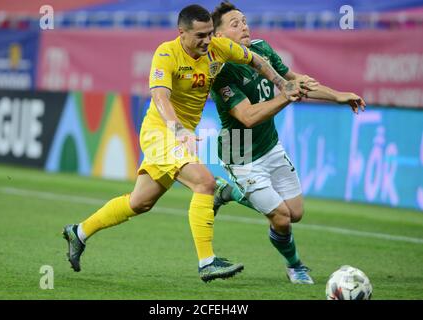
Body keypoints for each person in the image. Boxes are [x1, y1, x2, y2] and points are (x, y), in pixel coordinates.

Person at [62, 4, 315, 282]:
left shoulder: (218, 48)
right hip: (161, 132)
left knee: (140, 202)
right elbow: (160, 96)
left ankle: (79, 232)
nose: (207, 41)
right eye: (200, 36)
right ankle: (207, 262)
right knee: (204, 182)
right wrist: (179, 129)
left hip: (180, 135)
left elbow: (256, 60)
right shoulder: (166, 53)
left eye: (209, 34)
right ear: (181, 33)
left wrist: (282, 83)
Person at [210, 1, 366, 284]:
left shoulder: (262, 50)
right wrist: (286, 95)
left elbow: (295, 81)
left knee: (295, 213)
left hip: (269, 144)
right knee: (280, 217)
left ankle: (227, 193)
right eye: (235, 24)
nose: (244, 25)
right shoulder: (220, 72)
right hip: (239, 150)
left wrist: (339, 95)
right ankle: (296, 266)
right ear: (219, 38)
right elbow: (247, 117)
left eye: (244, 20)